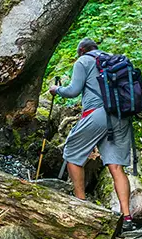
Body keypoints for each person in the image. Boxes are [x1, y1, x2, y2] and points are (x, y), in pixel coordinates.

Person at [50, 38, 134, 221]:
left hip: (97, 114)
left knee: (72, 152)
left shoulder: (83, 61)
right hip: (121, 115)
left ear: (81, 50)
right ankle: (127, 216)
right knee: (116, 166)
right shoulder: (112, 60)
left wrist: (56, 90)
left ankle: (82, 204)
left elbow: (73, 91)